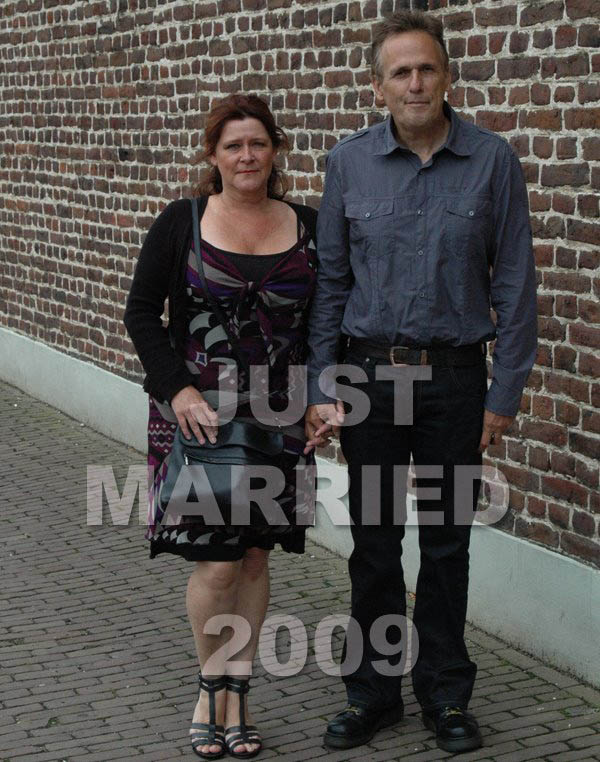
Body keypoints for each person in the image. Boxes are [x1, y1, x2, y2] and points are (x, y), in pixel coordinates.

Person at [305, 10, 537, 755]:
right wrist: (321, 386)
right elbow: (331, 284)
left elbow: (516, 286)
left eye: (427, 68)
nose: (415, 83)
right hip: (370, 381)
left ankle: (445, 694)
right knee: (373, 543)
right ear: (378, 87)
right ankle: (372, 695)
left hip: (455, 383)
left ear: (448, 77)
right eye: (400, 71)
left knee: (446, 544)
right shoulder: (349, 164)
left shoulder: (493, 162)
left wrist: (503, 396)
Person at [124, 94, 317, 760]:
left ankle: (240, 689)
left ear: (275, 149)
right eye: (233, 145)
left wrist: (323, 398)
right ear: (213, 155)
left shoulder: (310, 226)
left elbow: (327, 320)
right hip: (199, 418)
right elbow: (142, 313)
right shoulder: (180, 222)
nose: (247, 156)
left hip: (281, 419)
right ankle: (211, 690)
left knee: (256, 556)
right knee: (216, 561)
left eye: (258, 143)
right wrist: (175, 388)